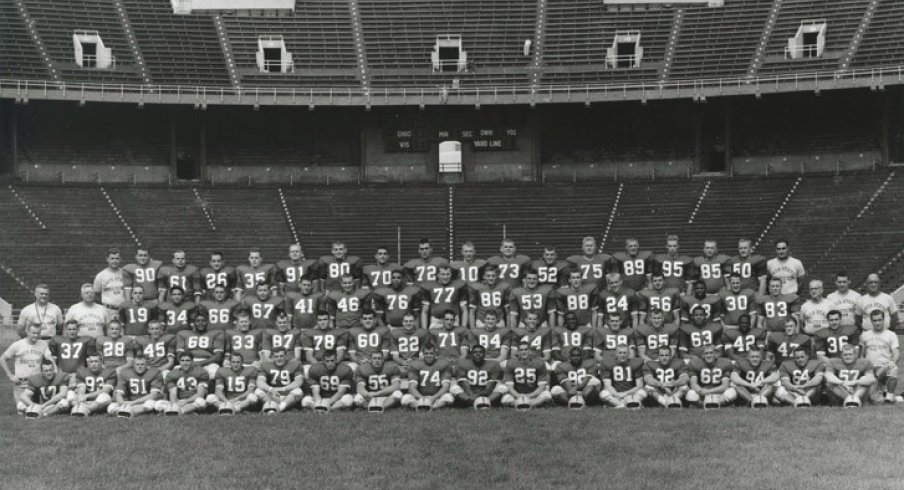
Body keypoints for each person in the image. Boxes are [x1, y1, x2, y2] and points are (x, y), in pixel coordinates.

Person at [2, 323, 55, 412]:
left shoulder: (43, 344)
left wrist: (55, 369)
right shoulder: (17, 345)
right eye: (33, 333)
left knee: (37, 410)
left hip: (37, 384)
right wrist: (10, 375)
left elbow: (49, 358)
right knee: (21, 410)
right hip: (21, 384)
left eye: (38, 333)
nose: (36, 335)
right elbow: (2, 359)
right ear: (27, 332)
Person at [860, 310, 899, 403]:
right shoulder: (864, 335)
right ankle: (890, 396)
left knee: (893, 368)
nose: (877, 323)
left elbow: (896, 353)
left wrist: (891, 363)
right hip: (870, 370)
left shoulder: (891, 335)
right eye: (874, 320)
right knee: (876, 400)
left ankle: (889, 396)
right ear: (871, 321)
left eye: (879, 320)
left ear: (883, 319)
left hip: (885, 367)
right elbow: (861, 355)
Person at [175, 308, 225, 380]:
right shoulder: (182, 334)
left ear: (207, 321)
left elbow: (218, 356)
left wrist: (201, 363)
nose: (201, 323)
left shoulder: (217, 333)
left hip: (208, 362)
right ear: (193, 322)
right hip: (189, 361)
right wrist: (188, 362)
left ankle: (211, 391)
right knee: (175, 371)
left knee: (214, 371)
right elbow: (179, 355)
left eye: (203, 321)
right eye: (198, 321)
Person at [451, 344, 506, 408]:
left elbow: (491, 384)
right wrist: (471, 394)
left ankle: (478, 402)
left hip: (487, 392)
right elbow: (463, 383)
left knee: (503, 387)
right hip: (469, 392)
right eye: (475, 352)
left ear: (484, 354)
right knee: (454, 388)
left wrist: (483, 394)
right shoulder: (462, 363)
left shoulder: (493, 364)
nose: (478, 354)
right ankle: (482, 403)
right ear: (471, 354)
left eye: (481, 352)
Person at [403, 344, 454, 410]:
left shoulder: (443, 364)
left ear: (435, 354)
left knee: (449, 397)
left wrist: (434, 397)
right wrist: (421, 398)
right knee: (405, 398)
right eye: (426, 353)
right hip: (420, 396)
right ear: (423, 354)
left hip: (437, 397)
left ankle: (429, 407)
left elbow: (446, 386)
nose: (429, 356)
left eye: (431, 353)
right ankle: (422, 405)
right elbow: (412, 387)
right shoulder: (415, 364)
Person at [501, 342, 551, 410]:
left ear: (530, 351)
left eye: (526, 349)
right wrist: (518, 395)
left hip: (534, 394)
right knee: (505, 398)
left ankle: (522, 404)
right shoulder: (511, 363)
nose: (524, 352)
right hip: (517, 394)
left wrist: (530, 396)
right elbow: (509, 386)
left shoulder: (539, 363)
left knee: (547, 394)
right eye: (521, 350)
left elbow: (542, 387)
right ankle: (528, 404)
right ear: (518, 352)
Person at [255, 347, 305, 413]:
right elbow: (260, 381)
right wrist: (270, 389)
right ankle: (274, 407)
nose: (279, 358)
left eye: (281, 356)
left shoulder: (295, 364)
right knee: (258, 391)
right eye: (276, 356)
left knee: (298, 391)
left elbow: (299, 381)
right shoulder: (265, 365)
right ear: (272, 357)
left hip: (288, 394)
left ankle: (277, 408)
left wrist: (283, 389)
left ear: (286, 356)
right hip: (273, 394)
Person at [686, 344, 736, 409]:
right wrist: (701, 391)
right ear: (702, 355)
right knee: (690, 394)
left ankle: (704, 405)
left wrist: (709, 391)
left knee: (732, 392)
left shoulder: (725, 363)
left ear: (715, 354)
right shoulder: (695, 363)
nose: (709, 355)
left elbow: (725, 386)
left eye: (711, 353)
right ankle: (717, 405)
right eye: (706, 353)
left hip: (719, 393)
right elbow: (693, 383)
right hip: (703, 394)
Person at [420, 265, 469, 329]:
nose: (445, 277)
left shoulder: (458, 285)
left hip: (452, 320)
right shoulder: (429, 286)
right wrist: (424, 329)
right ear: (437, 275)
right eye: (442, 274)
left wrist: (463, 328)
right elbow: (425, 311)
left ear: (451, 274)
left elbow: (464, 310)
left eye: (447, 274)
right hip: (436, 320)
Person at [598, 344, 645, 409]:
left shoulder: (635, 363)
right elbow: (607, 385)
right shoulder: (607, 363)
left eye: (625, 353)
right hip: (615, 393)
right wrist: (617, 394)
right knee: (603, 393)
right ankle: (626, 405)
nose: (622, 355)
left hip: (630, 393)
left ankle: (619, 405)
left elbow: (639, 385)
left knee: (642, 393)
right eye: (620, 353)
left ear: (628, 354)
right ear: (616, 354)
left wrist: (626, 393)